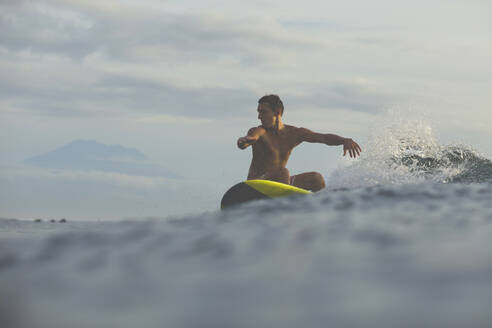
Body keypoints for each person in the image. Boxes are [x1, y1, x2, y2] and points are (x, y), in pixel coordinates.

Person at [237, 94, 362, 192]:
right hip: (257, 184)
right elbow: (249, 139)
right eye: (258, 112)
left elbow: (323, 138)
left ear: (277, 112)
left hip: (281, 182)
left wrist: (343, 140)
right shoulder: (259, 131)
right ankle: (285, 203)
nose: (259, 116)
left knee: (316, 179)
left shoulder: (294, 133)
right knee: (283, 172)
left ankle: (322, 209)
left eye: (263, 112)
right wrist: (244, 141)